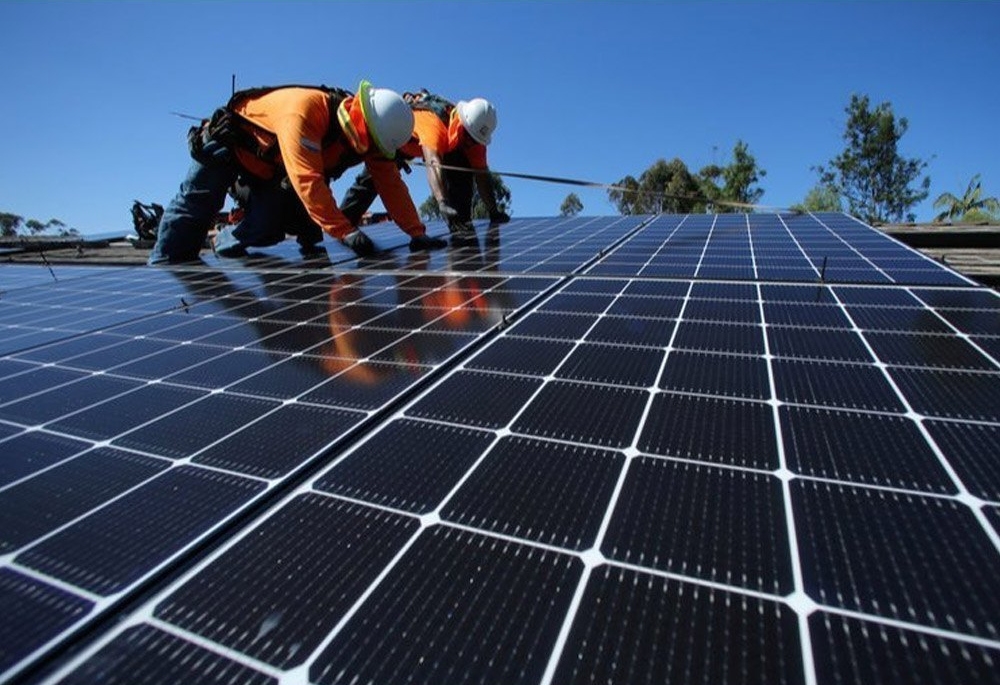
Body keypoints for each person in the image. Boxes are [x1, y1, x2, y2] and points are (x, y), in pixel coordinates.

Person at [148, 81, 446, 264]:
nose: (370, 154)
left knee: (268, 226)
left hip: (272, 171)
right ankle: (162, 268)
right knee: (193, 212)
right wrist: (347, 233)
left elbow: (391, 185)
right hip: (230, 147)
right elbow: (308, 182)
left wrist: (417, 234)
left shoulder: (374, 140)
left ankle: (223, 244)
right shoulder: (304, 112)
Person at [339, 90, 510, 239]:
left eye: (475, 140)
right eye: (469, 137)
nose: (470, 143)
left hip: (441, 147)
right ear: (461, 123)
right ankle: (343, 227)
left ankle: (461, 227)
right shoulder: (433, 124)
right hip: (399, 139)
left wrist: (493, 211)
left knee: (462, 172)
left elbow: (482, 175)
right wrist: (442, 202)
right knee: (371, 181)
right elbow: (434, 163)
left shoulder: (475, 141)